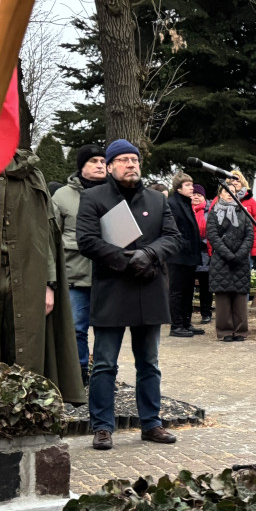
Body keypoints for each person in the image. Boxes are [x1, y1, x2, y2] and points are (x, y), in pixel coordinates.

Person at [76, 139, 183, 450]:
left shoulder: (157, 199)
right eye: (123, 160)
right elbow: (87, 241)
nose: (131, 164)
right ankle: (103, 427)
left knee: (149, 362)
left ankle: (151, 423)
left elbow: (173, 238)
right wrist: (127, 260)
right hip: (112, 290)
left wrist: (148, 254)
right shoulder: (93, 197)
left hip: (149, 290)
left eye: (134, 160)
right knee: (106, 363)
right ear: (110, 166)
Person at [0, 149, 84, 404]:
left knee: (27, 349)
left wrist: (49, 284)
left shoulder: (32, 175)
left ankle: (26, 420)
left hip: (29, 275)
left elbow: (47, 232)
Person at [51, 144, 107, 384]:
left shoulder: (115, 193)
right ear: (81, 166)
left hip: (109, 274)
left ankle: (104, 376)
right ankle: (79, 375)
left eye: (103, 161)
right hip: (75, 275)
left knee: (108, 330)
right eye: (94, 161)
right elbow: (51, 238)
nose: (100, 165)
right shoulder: (61, 196)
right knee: (76, 329)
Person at [206, 186, 254, 342]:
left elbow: (249, 234)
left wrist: (240, 254)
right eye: (226, 191)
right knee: (223, 297)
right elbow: (212, 236)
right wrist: (228, 254)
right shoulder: (214, 213)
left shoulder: (244, 212)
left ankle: (241, 330)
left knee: (240, 297)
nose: (229, 194)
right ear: (220, 193)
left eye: (233, 191)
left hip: (240, 260)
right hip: (221, 260)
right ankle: (225, 331)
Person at [165, 172, 205, 338]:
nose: (192, 188)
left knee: (188, 290)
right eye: (188, 185)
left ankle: (186, 322)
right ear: (178, 187)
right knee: (177, 291)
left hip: (189, 255)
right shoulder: (173, 204)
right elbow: (174, 230)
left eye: (192, 184)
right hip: (178, 255)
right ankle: (176, 325)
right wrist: (187, 244)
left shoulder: (186, 203)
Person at [190, 184, 213, 324]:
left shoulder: (209, 211)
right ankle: (187, 314)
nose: (196, 197)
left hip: (205, 253)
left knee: (206, 286)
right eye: (194, 194)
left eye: (199, 195)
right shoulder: (187, 210)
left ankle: (206, 313)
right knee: (187, 286)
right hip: (190, 253)